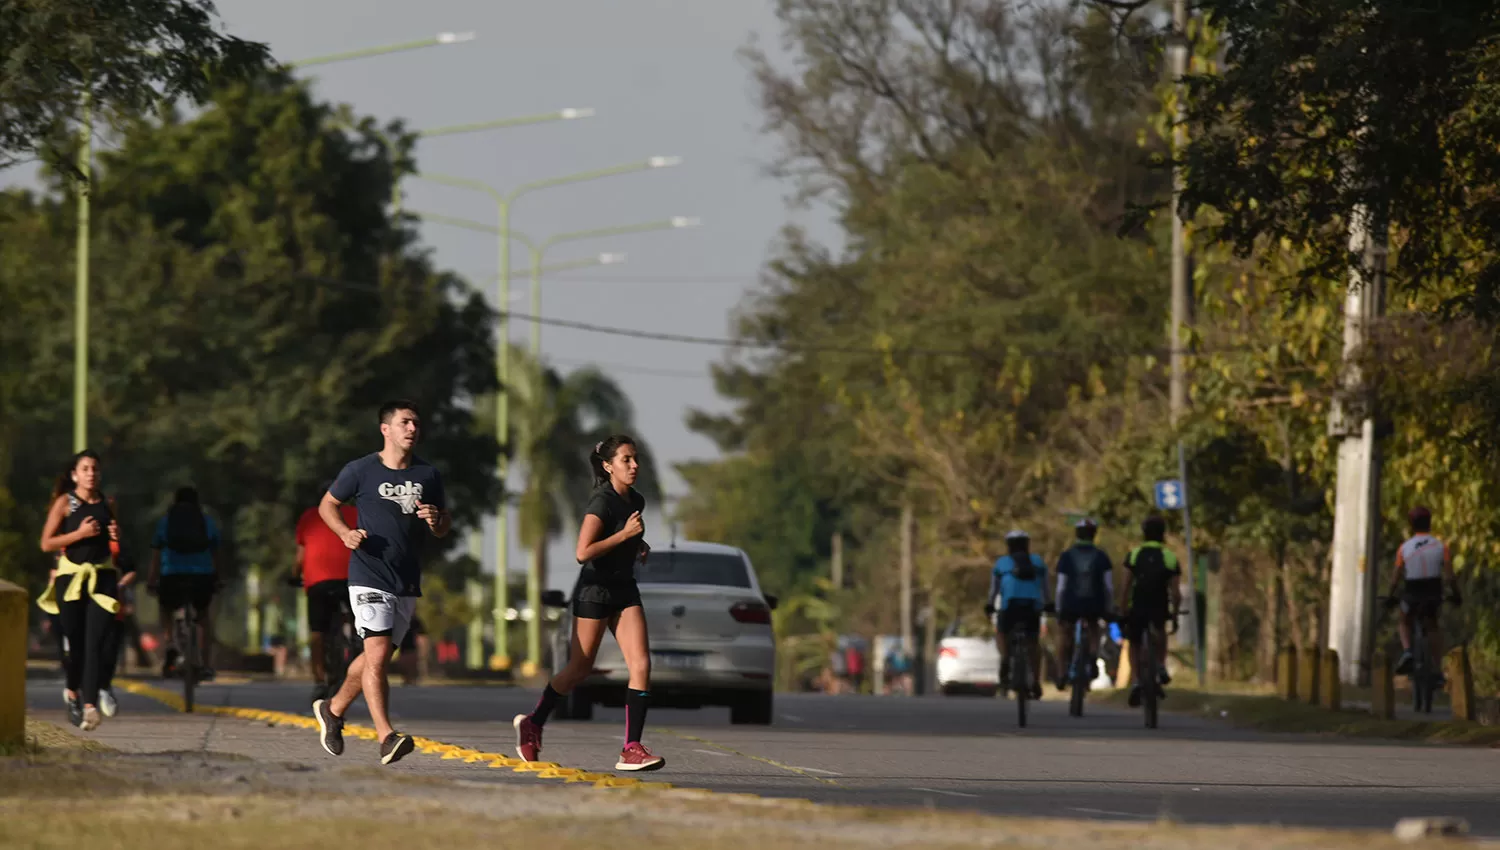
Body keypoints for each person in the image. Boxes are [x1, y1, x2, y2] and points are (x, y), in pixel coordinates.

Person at [513, 434, 664, 772]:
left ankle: (631, 748)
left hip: (625, 591)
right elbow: (583, 552)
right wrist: (624, 536)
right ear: (608, 466)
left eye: (635, 458)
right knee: (579, 669)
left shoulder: (635, 499)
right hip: (594, 593)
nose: (634, 465)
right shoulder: (602, 502)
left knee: (641, 664)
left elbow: (623, 536)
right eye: (626, 459)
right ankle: (533, 722)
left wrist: (638, 545)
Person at [312, 400, 450, 766]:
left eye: (416, 423)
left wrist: (436, 520)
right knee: (376, 656)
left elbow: (442, 527)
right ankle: (386, 736)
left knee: (378, 657)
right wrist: (344, 533)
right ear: (385, 429)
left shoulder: (428, 475)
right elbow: (328, 505)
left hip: (405, 580)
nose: (412, 429)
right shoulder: (360, 470)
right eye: (405, 422)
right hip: (368, 574)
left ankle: (333, 708)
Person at [37, 450, 132, 730]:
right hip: (71, 582)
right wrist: (78, 534)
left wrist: (116, 537)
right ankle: (72, 693)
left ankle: (90, 706)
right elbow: (46, 543)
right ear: (75, 475)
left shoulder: (108, 502)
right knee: (75, 647)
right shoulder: (66, 503)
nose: (91, 473)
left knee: (95, 645)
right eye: (86, 468)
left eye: (95, 469)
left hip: (102, 579)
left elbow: (115, 544)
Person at [147, 486, 222, 680]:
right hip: (201, 577)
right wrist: (218, 577)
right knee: (203, 617)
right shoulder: (207, 522)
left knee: (165, 608)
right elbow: (215, 552)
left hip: (172, 575)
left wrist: (152, 580)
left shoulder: (166, 522)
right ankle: (205, 665)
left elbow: (156, 554)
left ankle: (170, 642)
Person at [295, 490, 359, 704]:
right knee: (361, 624)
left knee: (318, 632)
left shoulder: (310, 515)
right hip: (353, 579)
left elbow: (301, 554)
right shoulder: (357, 513)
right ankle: (357, 645)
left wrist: (294, 575)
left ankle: (319, 680)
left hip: (319, 582)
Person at [1387, 506, 1461, 680]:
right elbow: (1450, 576)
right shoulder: (1441, 547)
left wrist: (1390, 595)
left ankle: (1407, 652)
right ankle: (1436, 667)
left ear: (1411, 525)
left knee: (1404, 620)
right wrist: (1457, 594)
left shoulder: (1404, 548)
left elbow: (1395, 578)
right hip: (1434, 592)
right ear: (1430, 523)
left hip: (1412, 592)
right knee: (1433, 625)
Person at [1117, 515, 1182, 707]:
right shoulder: (1169, 556)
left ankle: (1137, 678)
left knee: (1134, 642)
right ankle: (1161, 666)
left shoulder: (1135, 554)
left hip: (1138, 604)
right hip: (1159, 604)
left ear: (1144, 533)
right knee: (1160, 630)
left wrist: (1122, 610)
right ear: (1163, 534)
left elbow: (1125, 586)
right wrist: (1176, 614)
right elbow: (1176, 593)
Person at [987, 529, 1049, 700]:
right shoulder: (1038, 562)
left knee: (1001, 632)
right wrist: (1048, 604)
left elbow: (994, 590)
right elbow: (1045, 589)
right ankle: (1036, 681)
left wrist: (990, 605)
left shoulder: (1002, 563)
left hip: (1010, 607)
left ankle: (1006, 658)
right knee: (1033, 643)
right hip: (1032, 607)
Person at [1053, 518, 1115, 690]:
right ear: (1094, 535)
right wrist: (1108, 608)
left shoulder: (1066, 556)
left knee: (1064, 633)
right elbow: (1108, 587)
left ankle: (1061, 672)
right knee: (1094, 628)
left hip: (1071, 604)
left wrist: (1059, 609)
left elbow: (1061, 587)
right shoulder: (1102, 556)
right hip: (1094, 604)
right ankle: (1093, 657)